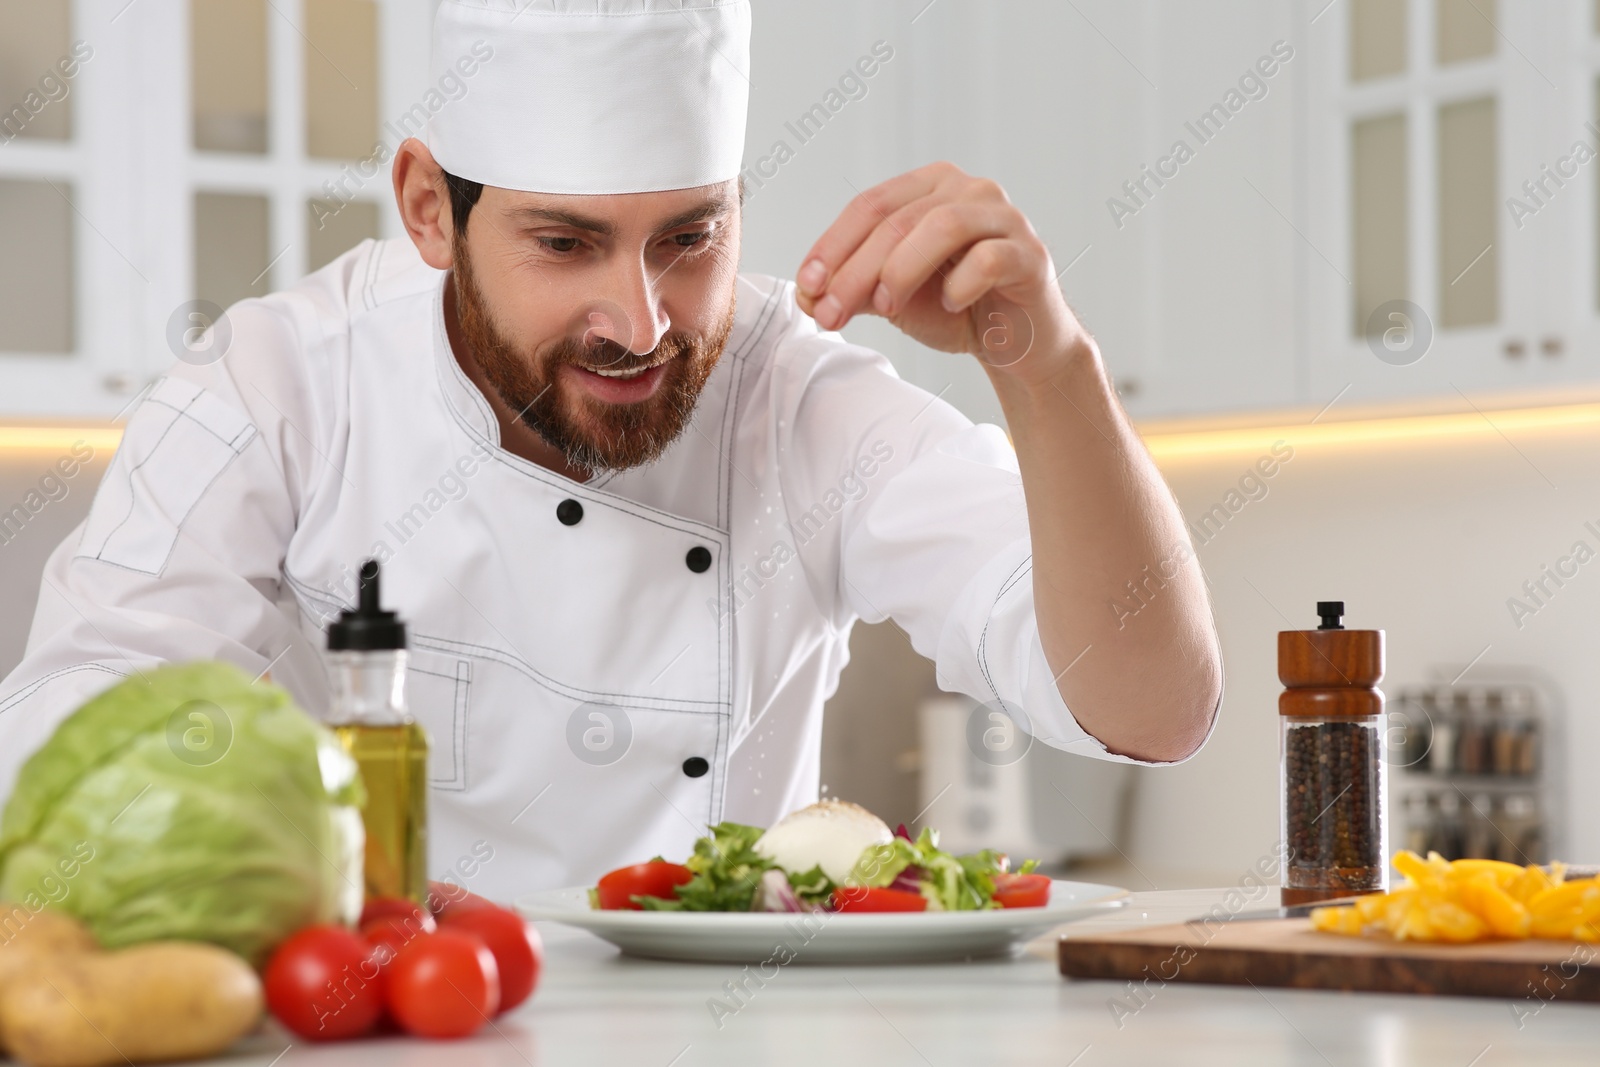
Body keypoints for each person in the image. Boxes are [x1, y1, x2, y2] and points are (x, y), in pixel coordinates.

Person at [0, 0, 1221, 900]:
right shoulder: (277, 384)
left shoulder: (796, 394)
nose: (639, 324)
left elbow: (1151, 707)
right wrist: (342, 883)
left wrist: (1043, 358)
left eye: (689, 238)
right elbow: (75, 730)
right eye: (566, 244)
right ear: (430, 207)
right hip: (385, 1021)